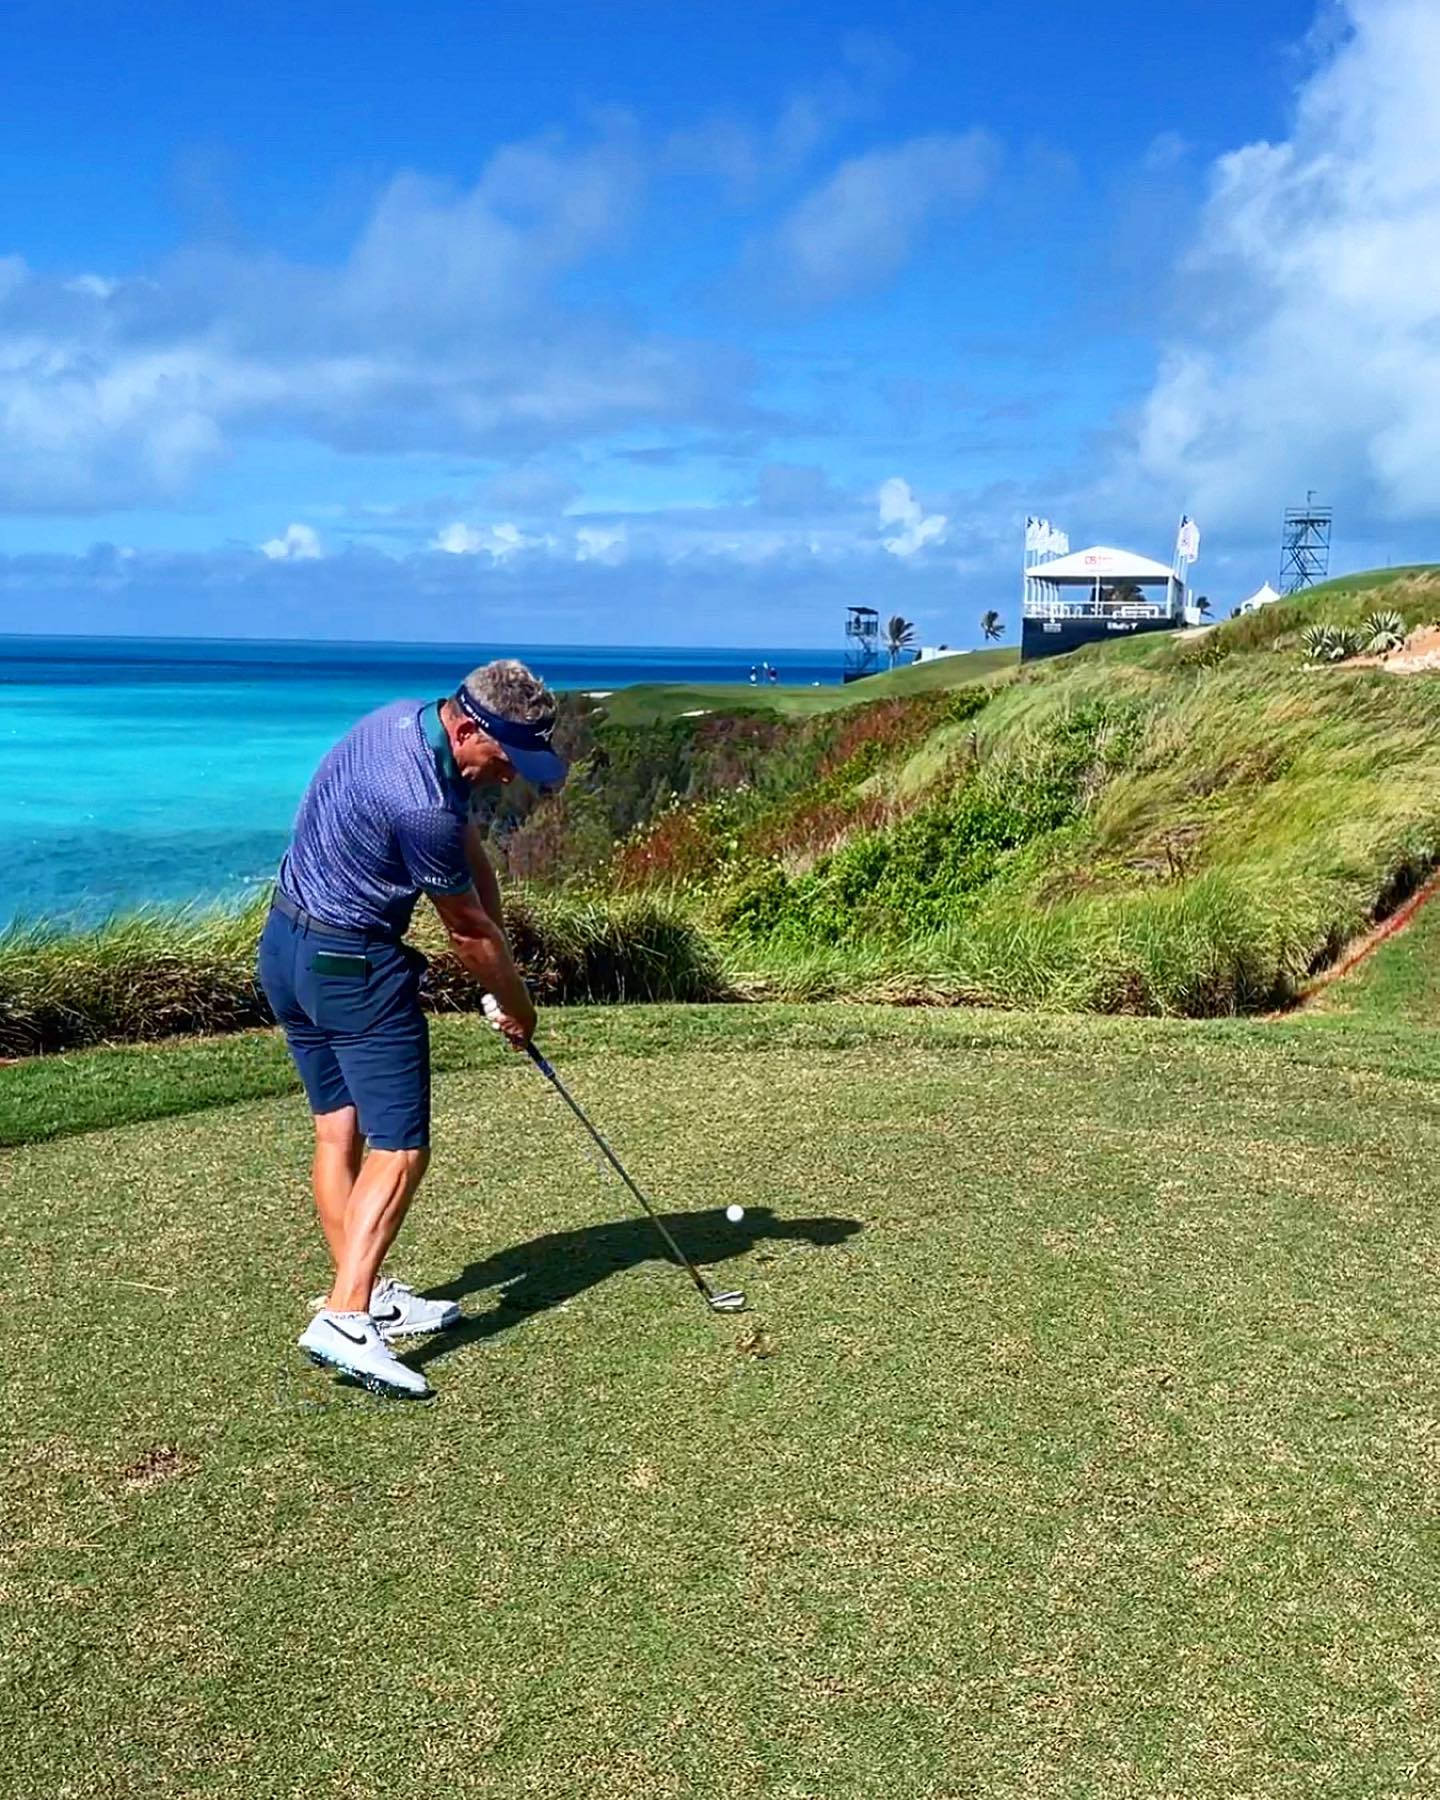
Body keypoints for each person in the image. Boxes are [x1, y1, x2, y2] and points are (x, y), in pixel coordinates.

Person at [257, 659, 567, 1398]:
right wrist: (519, 1007)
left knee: (340, 1130)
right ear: (468, 728)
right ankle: (345, 1316)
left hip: (286, 948)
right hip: (353, 967)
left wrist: (498, 938)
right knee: (401, 1145)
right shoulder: (420, 802)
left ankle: (364, 1296)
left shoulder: (401, 722)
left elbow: (470, 866)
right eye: (504, 758)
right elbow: (463, 933)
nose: (509, 776)